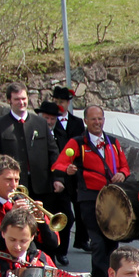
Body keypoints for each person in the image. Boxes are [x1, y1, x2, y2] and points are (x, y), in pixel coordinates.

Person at [53, 104, 129, 277]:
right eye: (93, 119)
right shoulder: (77, 143)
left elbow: (125, 167)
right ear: (85, 121)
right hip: (90, 198)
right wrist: (69, 169)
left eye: (100, 118)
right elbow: (58, 164)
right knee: (98, 241)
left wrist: (122, 174)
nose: (97, 122)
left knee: (112, 241)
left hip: (112, 198)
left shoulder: (113, 142)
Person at [0, 83, 60, 255]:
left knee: (44, 227)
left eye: (24, 99)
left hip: (41, 185)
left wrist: (58, 178)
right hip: (16, 187)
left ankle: (48, 260)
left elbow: (53, 151)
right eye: (17, 99)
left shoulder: (40, 122)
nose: (21, 102)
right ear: (9, 101)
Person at [48, 88, 86, 252]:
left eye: (61, 102)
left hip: (74, 173)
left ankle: (82, 239)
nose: (58, 105)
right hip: (58, 173)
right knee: (65, 214)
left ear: (68, 103)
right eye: (56, 102)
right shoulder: (49, 122)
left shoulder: (77, 123)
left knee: (81, 209)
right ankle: (59, 248)